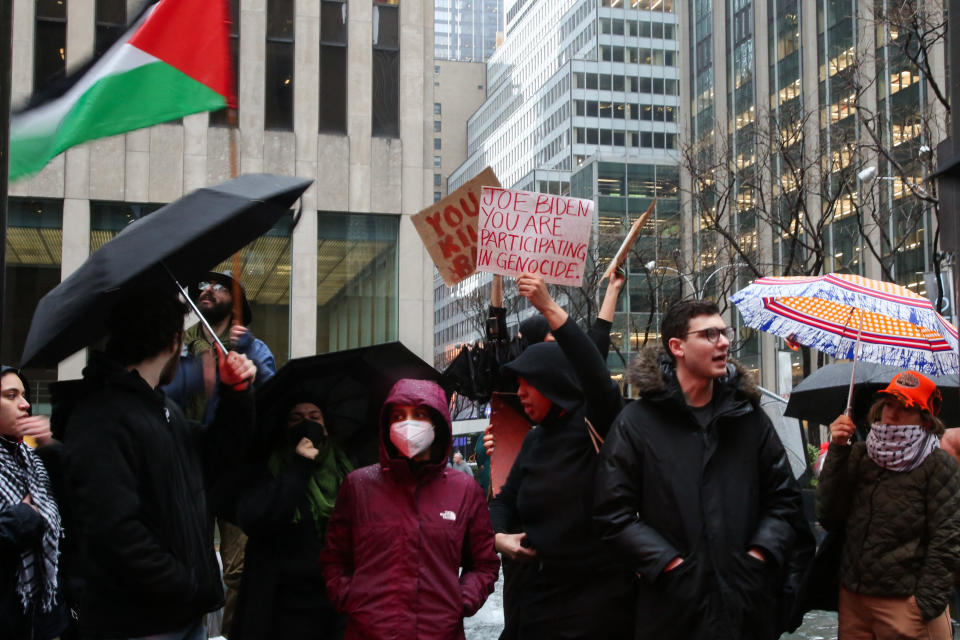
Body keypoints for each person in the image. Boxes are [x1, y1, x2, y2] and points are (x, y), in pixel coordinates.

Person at [593, 299, 813, 640]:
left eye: (724, 332)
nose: (723, 342)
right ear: (677, 347)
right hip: (671, 612)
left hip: (746, 608)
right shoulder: (637, 423)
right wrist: (669, 565)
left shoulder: (749, 418)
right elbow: (611, 513)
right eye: (709, 334)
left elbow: (785, 502)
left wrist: (756, 557)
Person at [52, 287, 256, 639]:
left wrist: (236, 396)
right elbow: (115, 534)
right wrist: (187, 584)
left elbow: (214, 456)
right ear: (174, 341)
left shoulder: (156, 407)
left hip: (175, 617)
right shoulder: (103, 416)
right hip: (140, 625)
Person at [489, 273, 634, 639]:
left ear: (552, 380)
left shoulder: (597, 423)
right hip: (536, 599)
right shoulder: (534, 441)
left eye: (527, 384)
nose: (519, 394)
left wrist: (549, 306)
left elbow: (595, 370)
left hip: (596, 607)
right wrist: (497, 537)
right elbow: (504, 500)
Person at [321, 378, 499, 639]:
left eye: (419, 415)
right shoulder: (358, 486)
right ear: (386, 425)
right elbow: (334, 559)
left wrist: (459, 601)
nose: (408, 424)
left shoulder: (464, 490)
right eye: (398, 416)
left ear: (437, 424)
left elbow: (484, 564)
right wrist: (351, 599)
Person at [163, 270, 276, 635]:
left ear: (236, 303)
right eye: (203, 287)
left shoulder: (256, 350)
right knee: (185, 561)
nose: (207, 291)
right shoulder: (180, 346)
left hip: (236, 474)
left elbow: (269, 408)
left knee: (238, 569)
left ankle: (229, 633)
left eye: (218, 287)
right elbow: (167, 395)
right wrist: (200, 371)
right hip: (191, 472)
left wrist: (246, 375)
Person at [817, 371, 960, 639]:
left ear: (925, 420)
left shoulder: (938, 465)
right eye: (889, 404)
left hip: (906, 605)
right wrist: (838, 449)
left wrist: (924, 605)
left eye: (906, 408)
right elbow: (828, 514)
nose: (892, 415)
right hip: (853, 601)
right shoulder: (860, 453)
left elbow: (948, 541)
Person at [231, 394, 352, 640]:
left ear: (325, 429)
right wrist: (298, 466)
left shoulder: (346, 469)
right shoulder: (268, 468)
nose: (306, 422)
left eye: (314, 417)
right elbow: (257, 517)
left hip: (336, 605)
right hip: (283, 607)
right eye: (296, 419)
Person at [0, 367, 68, 640]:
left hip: (40, 616)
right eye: (11, 395)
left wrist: (50, 446)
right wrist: (23, 518)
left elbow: (73, 501)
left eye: (24, 395)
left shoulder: (29, 456)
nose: (25, 404)